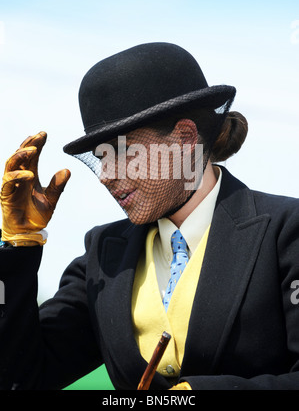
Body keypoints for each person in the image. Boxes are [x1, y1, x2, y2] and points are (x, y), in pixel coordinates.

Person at [0, 42, 299, 390]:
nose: (106, 175)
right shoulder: (103, 254)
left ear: (185, 138)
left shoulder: (286, 232)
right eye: (100, 157)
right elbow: (20, 377)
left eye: (123, 152)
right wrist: (18, 248)